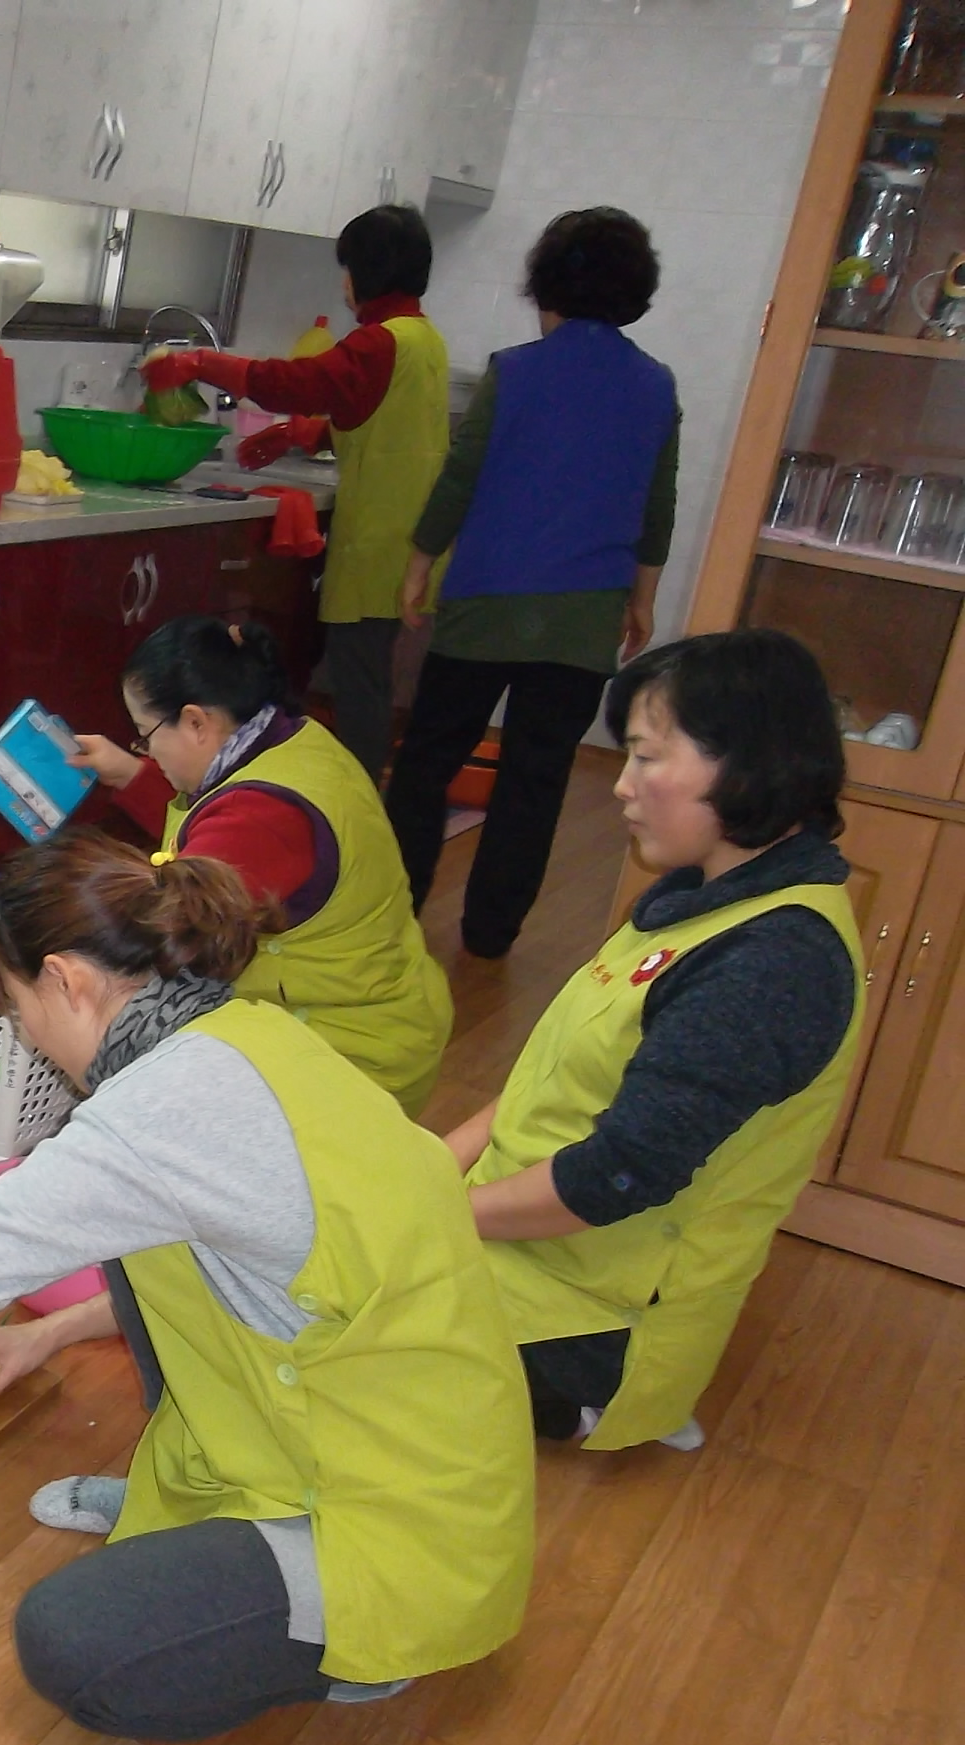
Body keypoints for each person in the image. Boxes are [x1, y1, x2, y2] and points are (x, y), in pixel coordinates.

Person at [0, 833, 533, 1742]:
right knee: (137, 1246)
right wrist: (49, 1331)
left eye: (19, 1009)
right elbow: (228, 1268)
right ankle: (211, 1536)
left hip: (391, 1522)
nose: (28, 1038)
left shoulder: (166, 1104)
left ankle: (355, 1648)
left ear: (67, 981)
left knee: (70, 1644)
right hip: (394, 1442)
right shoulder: (248, 1035)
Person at [445, 630, 861, 1452]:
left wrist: (430, 1216)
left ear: (746, 763)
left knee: (275, 1317)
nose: (622, 785)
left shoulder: (775, 960)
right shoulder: (700, 897)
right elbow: (545, 1081)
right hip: (523, 1247)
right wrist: (428, 1174)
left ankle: (595, 1402)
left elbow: (615, 1176)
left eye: (645, 757)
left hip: (588, 1319)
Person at [382, 207, 682, 959]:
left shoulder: (514, 371)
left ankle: (393, 911)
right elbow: (657, 506)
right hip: (584, 621)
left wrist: (419, 563)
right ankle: (491, 934)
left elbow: (461, 476)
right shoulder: (655, 386)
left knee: (427, 763)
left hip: (486, 605)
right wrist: (643, 599)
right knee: (535, 779)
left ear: (546, 284)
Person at [68, 614, 451, 1114]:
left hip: (345, 1059)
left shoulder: (260, 816)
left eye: (145, 734)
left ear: (197, 722)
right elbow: (219, 824)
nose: (148, 750)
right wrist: (127, 772)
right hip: (386, 1014)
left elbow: (166, 934)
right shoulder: (292, 739)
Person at [142, 203, 447, 781]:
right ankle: (353, 793)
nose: (344, 284)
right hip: (408, 534)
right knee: (366, 678)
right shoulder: (422, 337)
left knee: (359, 684)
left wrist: (199, 363)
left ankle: (352, 802)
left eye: (348, 269)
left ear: (368, 272)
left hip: (380, 538)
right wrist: (299, 433)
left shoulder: (379, 342)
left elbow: (293, 382)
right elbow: (386, 419)